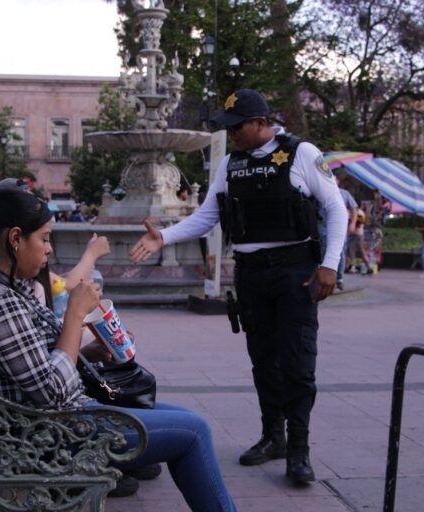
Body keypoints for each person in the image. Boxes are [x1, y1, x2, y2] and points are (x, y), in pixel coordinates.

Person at [0, 187, 237, 512]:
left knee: (186, 419)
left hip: (36, 421)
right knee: (195, 431)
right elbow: (51, 392)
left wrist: (87, 354)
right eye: (44, 239)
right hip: (51, 433)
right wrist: (75, 314)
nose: (48, 250)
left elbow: (25, 364)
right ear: (16, 238)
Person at [130, 88, 348, 484]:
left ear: (261, 123)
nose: (231, 135)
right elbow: (207, 216)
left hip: (295, 271)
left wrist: (330, 265)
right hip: (251, 274)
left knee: (298, 363)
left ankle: (299, 451)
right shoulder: (231, 164)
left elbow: (336, 209)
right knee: (263, 359)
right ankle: (273, 437)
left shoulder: (301, 153)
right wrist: (165, 236)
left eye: (237, 127)